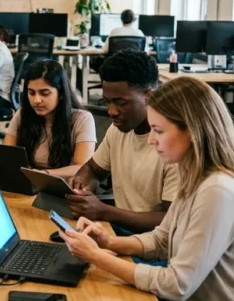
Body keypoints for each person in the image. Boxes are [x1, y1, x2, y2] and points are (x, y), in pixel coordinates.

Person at [60, 77, 234, 301]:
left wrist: (96, 256)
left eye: (159, 131)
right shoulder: (195, 174)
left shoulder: (219, 190)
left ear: (193, 131)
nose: (152, 140)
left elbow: (177, 285)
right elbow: (163, 240)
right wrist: (109, 243)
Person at [67, 50, 179, 233]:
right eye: (107, 102)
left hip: (157, 248)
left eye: (120, 102)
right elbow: (93, 169)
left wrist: (104, 212)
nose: (111, 111)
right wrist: (83, 184)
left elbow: (172, 219)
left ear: (149, 96)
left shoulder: (175, 144)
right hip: (119, 232)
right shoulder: (118, 129)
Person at [3, 60, 95, 178]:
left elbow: (82, 167)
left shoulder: (82, 119)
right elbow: (7, 156)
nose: (36, 100)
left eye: (45, 93)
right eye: (31, 93)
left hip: (63, 187)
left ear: (61, 94)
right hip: (28, 182)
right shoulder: (22, 114)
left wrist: (43, 175)